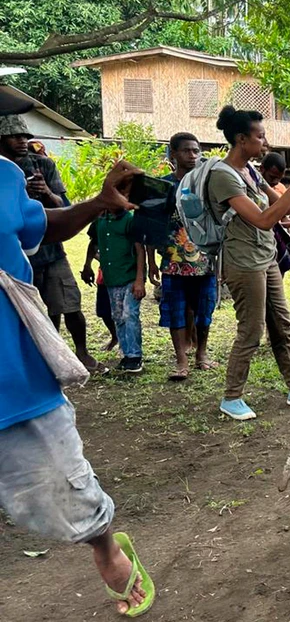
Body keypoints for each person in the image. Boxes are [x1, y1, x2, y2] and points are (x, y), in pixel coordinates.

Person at [0, 120, 155, 616]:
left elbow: (45, 226)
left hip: (12, 372)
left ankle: (105, 546)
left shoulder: (3, 176)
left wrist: (97, 204)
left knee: (63, 479)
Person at [209, 105, 290, 421]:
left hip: (266, 259)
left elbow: (285, 208)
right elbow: (265, 220)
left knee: (282, 325)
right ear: (241, 139)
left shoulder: (251, 171)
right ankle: (231, 396)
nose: (265, 143)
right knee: (251, 330)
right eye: (260, 136)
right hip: (243, 263)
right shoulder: (223, 177)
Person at [0, 114, 102, 373]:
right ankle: (42, 359)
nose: (23, 141)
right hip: (16, 258)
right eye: (15, 136)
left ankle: (82, 353)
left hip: (51, 252)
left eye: (25, 135)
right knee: (28, 312)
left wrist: (46, 193)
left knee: (69, 303)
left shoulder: (42, 165)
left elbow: (66, 208)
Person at [153, 132, 219, 381]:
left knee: (205, 310)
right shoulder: (163, 186)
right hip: (173, 261)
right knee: (175, 311)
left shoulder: (207, 184)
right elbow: (153, 226)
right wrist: (150, 262)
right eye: (186, 151)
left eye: (196, 151)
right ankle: (181, 360)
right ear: (174, 153)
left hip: (205, 261)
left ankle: (201, 354)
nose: (192, 156)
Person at [87, 206, 147, 373]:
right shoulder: (100, 219)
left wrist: (140, 280)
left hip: (130, 275)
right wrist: (87, 265)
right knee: (118, 316)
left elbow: (139, 249)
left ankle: (135, 356)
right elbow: (93, 243)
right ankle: (126, 354)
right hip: (111, 277)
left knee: (130, 314)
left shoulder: (130, 220)